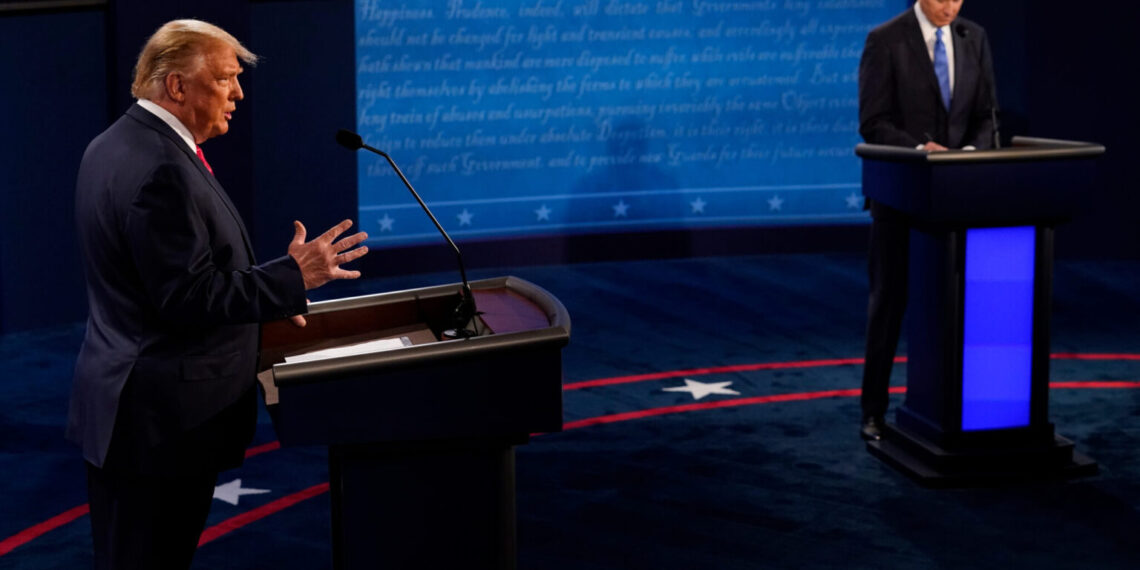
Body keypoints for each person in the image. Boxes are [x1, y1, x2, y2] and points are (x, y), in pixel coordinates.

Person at [67, 19, 369, 569]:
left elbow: (158, 282)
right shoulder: (163, 167)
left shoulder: (112, 144)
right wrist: (291, 277)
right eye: (226, 79)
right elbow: (185, 296)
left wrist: (270, 303)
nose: (238, 94)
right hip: (159, 424)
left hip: (128, 408)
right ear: (177, 86)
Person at [857, 0, 997, 440]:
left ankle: (954, 412)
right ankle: (873, 411)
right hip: (901, 197)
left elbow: (986, 114)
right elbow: (873, 121)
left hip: (959, 200)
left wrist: (971, 155)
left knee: (957, 307)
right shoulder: (885, 39)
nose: (950, 6)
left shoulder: (974, 37)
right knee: (889, 303)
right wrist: (922, 151)